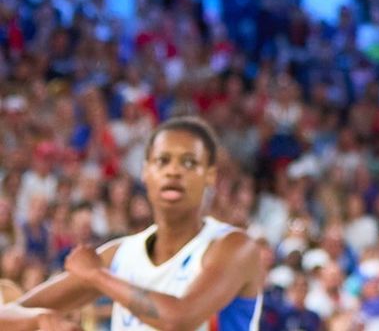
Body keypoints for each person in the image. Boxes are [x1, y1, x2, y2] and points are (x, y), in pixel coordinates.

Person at [0, 117, 270, 331]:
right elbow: (12, 312)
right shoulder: (121, 254)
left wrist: (98, 276)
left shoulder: (235, 247)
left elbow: (179, 319)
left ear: (210, 175)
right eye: (162, 161)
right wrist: (39, 319)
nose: (173, 171)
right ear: (145, 171)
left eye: (189, 162)